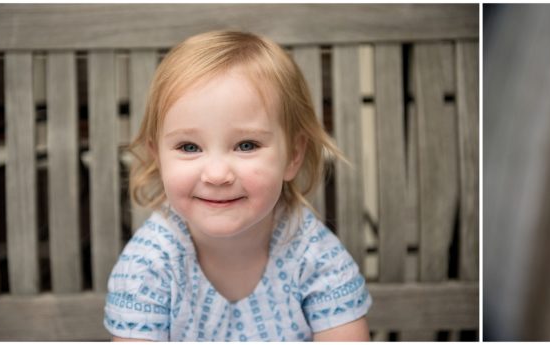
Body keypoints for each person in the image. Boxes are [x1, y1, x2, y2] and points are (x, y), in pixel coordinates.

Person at [104, 31, 370, 341]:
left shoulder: (314, 255)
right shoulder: (149, 264)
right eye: (189, 147)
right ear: (158, 156)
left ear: (293, 156)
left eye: (246, 145)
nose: (217, 174)